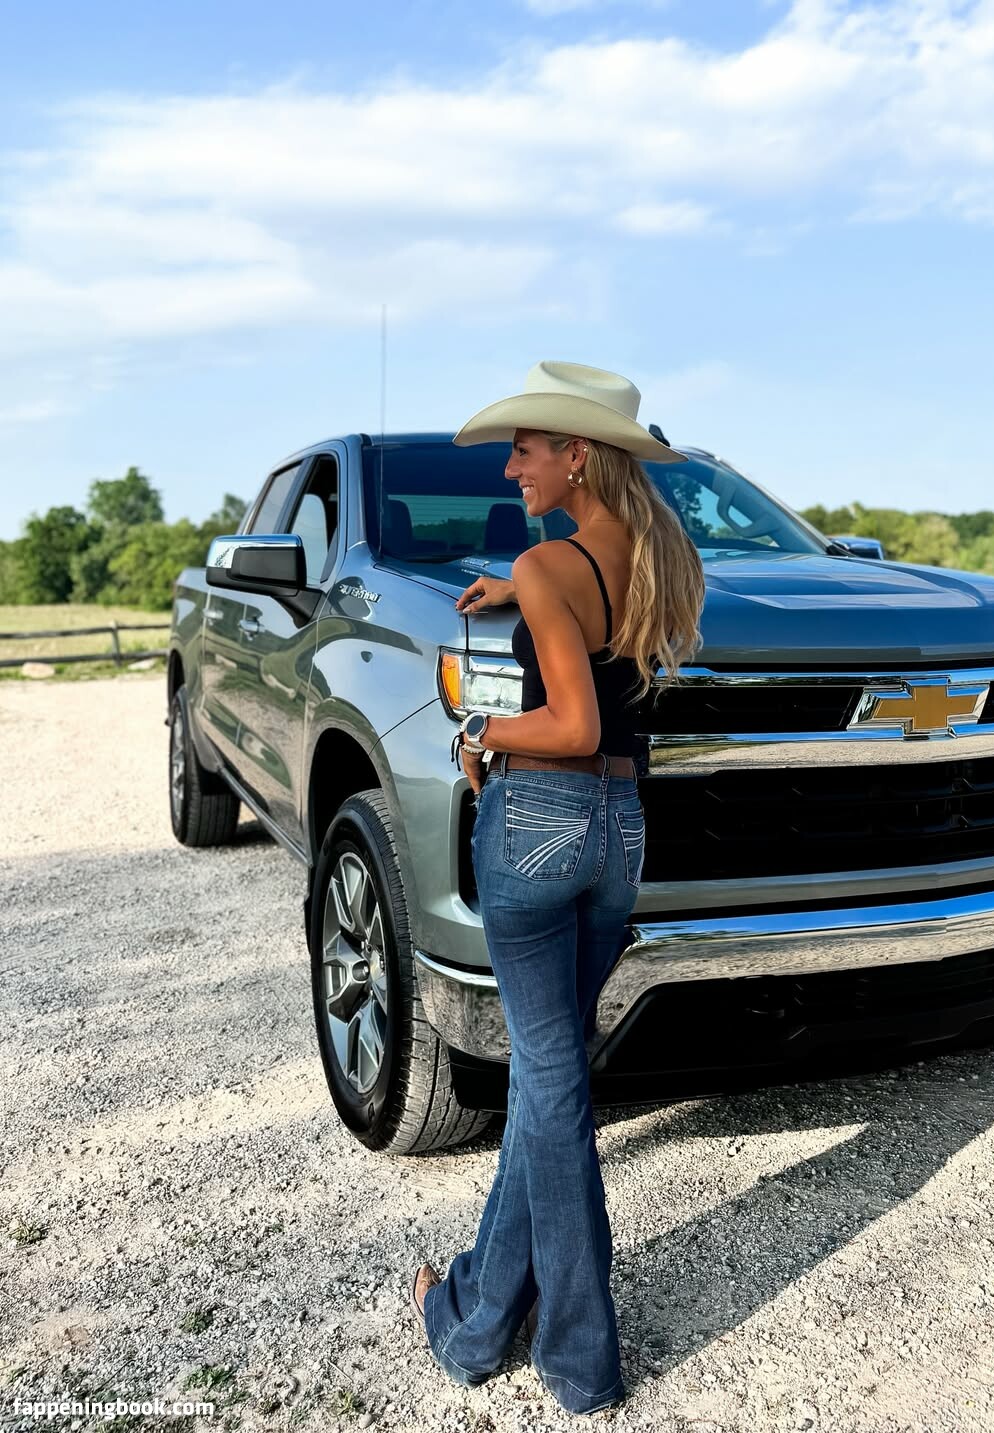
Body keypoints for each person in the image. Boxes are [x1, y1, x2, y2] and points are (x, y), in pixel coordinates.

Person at [409, 360, 706, 1416]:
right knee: (550, 1080)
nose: (512, 467)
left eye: (526, 449)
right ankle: (478, 1314)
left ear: (577, 454)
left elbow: (570, 722)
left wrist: (482, 728)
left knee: (552, 1086)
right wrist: (517, 593)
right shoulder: (657, 555)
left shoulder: (549, 565)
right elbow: (594, 659)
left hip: (541, 822)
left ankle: (581, 1358)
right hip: (621, 830)